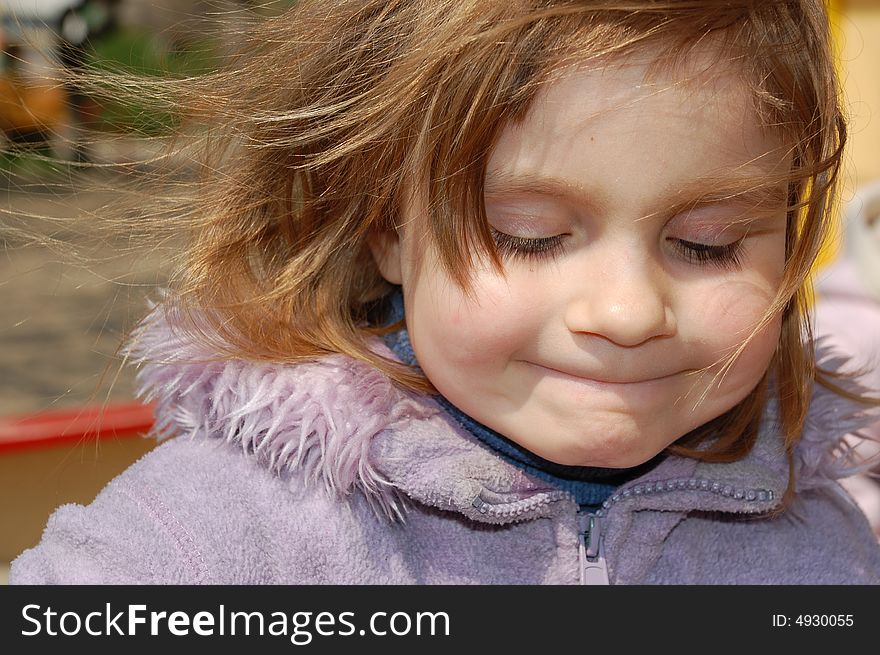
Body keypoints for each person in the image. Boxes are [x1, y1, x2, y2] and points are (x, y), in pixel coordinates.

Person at [9, 0, 880, 584]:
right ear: (387, 227)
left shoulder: (824, 551)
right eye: (527, 234)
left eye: (707, 244)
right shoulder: (215, 534)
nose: (625, 312)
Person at [814, 182, 880, 537]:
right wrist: (866, 509)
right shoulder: (856, 326)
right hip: (838, 512)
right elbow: (823, 431)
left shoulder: (836, 315)